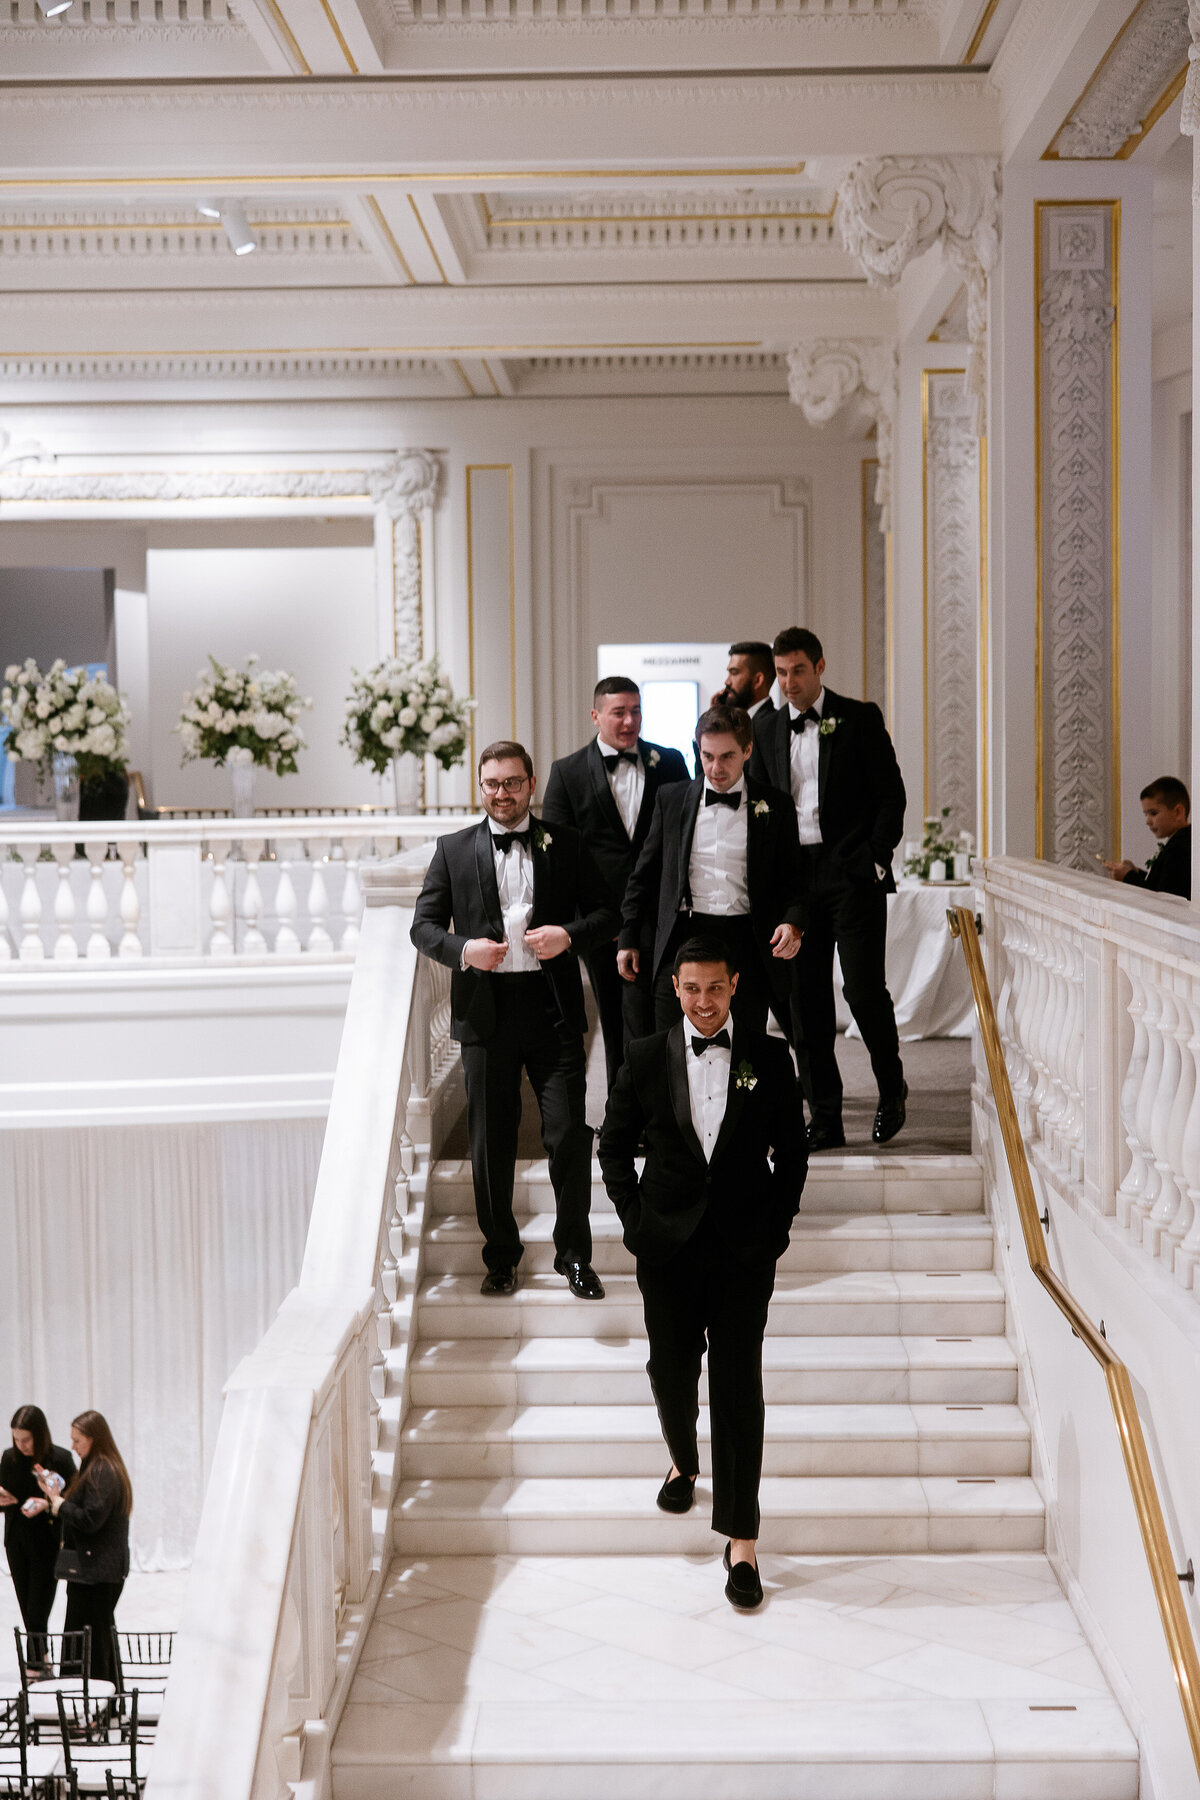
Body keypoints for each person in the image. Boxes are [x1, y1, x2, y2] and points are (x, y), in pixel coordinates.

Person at [598, 934, 806, 1609]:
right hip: (667, 1247)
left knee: (739, 1385)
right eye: (692, 989)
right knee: (670, 1368)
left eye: (715, 988)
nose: (704, 1001)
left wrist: (775, 1229)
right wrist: (635, 1222)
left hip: (745, 1249)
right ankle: (684, 1461)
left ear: (735, 984)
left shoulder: (768, 1059)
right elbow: (613, 1147)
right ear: (676, 990)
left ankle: (741, 1540)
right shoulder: (644, 1057)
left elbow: (793, 1154)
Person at [412, 739, 618, 1298]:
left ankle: (574, 1256)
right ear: (481, 788)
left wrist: (568, 936)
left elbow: (608, 913)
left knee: (570, 1134)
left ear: (531, 785)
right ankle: (500, 1256)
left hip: (552, 1011)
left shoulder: (566, 843)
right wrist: (463, 951)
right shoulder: (453, 849)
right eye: (492, 784)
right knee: (490, 1142)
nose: (502, 793)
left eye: (512, 783)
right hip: (486, 1014)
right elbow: (422, 927)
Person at [750, 626, 907, 1151]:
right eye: (781, 672)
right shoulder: (765, 726)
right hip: (793, 882)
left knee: (863, 990)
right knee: (804, 1003)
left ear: (820, 666)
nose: (789, 682)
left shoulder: (859, 717)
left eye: (798, 670)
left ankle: (892, 1088)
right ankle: (825, 1117)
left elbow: (891, 796)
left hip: (850, 875)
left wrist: (874, 857)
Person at [617, 704, 804, 1033]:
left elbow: (794, 880)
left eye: (727, 756)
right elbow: (643, 875)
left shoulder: (776, 805)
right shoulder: (671, 799)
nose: (716, 767)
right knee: (671, 1044)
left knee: (743, 1047)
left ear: (747, 750)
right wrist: (628, 936)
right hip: (684, 934)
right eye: (707, 756)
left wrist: (792, 923)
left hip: (746, 939)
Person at [542, 678, 690, 1090]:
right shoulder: (567, 772)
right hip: (602, 920)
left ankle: (667, 1108)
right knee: (614, 1017)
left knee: (664, 1015)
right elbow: (556, 854)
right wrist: (584, 920)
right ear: (596, 716)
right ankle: (623, 1113)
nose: (629, 721)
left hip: (660, 915)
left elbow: (684, 836)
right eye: (619, 712)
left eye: (636, 711)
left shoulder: (672, 762)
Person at [38, 1410, 131, 1685]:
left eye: (78, 1440)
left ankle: (90, 1707)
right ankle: (102, 1705)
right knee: (96, 1639)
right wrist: (56, 1498)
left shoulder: (102, 1471)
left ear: (94, 1439)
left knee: (89, 1641)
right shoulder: (97, 1467)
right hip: (94, 1569)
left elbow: (91, 1519)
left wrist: (58, 1503)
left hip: (96, 1571)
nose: (73, 1447)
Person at [0, 1405, 76, 1669]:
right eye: (16, 1439)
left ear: (40, 1434)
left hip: (47, 1543)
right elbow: (5, 1497)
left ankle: (34, 1665)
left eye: (26, 1439)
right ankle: (40, 1659)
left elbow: (75, 1500)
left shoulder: (61, 1459)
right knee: (26, 1607)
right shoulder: (9, 1458)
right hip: (16, 1543)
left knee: (37, 1608)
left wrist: (48, 1501)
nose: (21, 1445)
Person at [1101, 777, 1191, 900]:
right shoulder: (1180, 841)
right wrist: (1136, 873)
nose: (1148, 821)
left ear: (1178, 812)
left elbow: (1165, 900)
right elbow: (1161, 884)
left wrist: (1128, 877)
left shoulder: (1180, 848)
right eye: (1146, 814)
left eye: (1153, 813)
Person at [713, 641, 776, 721]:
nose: (727, 682)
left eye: (734, 673)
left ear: (757, 681)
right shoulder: (736, 721)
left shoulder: (772, 725)